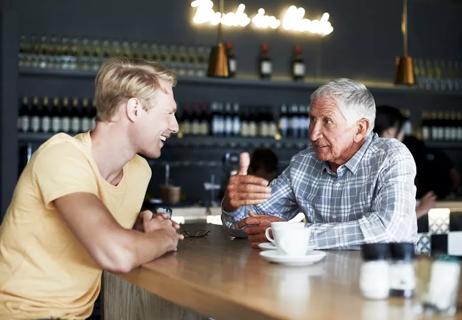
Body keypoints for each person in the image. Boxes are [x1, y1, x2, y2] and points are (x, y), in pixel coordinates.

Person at [0, 58, 183, 318]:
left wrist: (139, 232)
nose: (175, 126)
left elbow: (103, 237)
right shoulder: (62, 154)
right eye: (168, 113)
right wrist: (164, 238)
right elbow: (116, 254)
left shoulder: (139, 172)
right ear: (134, 109)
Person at [222, 78, 417, 249]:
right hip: (321, 282)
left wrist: (291, 235)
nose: (313, 133)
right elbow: (246, 226)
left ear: (359, 129)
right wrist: (233, 204)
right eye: (312, 119)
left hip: (382, 284)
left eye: (327, 122)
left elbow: (389, 232)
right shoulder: (304, 163)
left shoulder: (391, 156)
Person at [374, 105, 437, 218]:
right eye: (401, 130)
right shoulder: (392, 161)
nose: (403, 135)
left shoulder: (366, 157)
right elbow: (390, 223)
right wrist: (420, 210)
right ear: (390, 131)